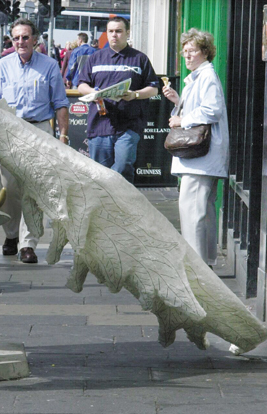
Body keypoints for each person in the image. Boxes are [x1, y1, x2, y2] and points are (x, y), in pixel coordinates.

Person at [0, 18, 69, 264]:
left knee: (33, 190)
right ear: (11, 41)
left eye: (25, 37)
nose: (21, 42)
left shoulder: (50, 66)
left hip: (39, 131)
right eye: (16, 38)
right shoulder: (1, 67)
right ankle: (11, 235)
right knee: (9, 189)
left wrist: (63, 135)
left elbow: (61, 104)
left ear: (35, 39)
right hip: (10, 132)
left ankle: (28, 243)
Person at [162, 29, 229, 266]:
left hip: (201, 158)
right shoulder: (199, 77)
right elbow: (203, 108)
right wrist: (178, 102)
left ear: (205, 52)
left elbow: (212, 110)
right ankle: (205, 263)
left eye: (192, 51)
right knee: (202, 213)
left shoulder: (207, 76)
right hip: (200, 159)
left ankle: (198, 267)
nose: (186, 56)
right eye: (185, 51)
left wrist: (182, 119)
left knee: (193, 213)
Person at [77, 17, 159, 183]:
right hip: (99, 124)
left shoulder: (140, 59)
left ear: (127, 33)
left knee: (122, 169)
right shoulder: (95, 58)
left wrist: (135, 94)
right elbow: (81, 85)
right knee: (99, 175)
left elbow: (154, 88)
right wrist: (93, 92)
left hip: (128, 126)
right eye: (111, 31)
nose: (114, 35)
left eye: (119, 31)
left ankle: (123, 207)